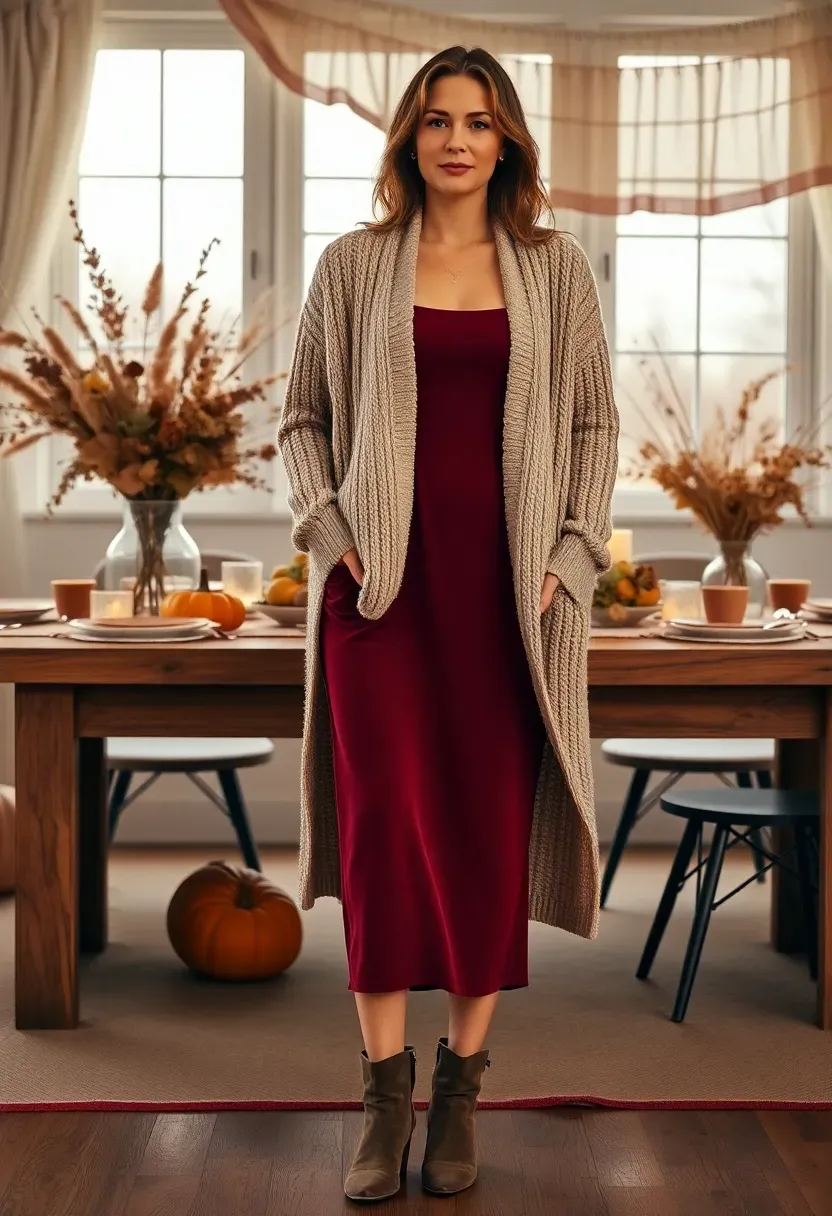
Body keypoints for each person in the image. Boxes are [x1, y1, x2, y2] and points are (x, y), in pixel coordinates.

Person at [277, 44, 619, 1204]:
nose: (457, 139)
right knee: (378, 843)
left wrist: (570, 559)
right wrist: (329, 533)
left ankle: (460, 1088)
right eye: (435, 120)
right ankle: (381, 1097)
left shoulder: (555, 270)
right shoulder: (354, 265)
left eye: (477, 120)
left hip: (507, 611)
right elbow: (300, 423)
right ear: (408, 139)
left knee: (480, 837)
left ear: (507, 138)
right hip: (380, 603)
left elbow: (592, 432)